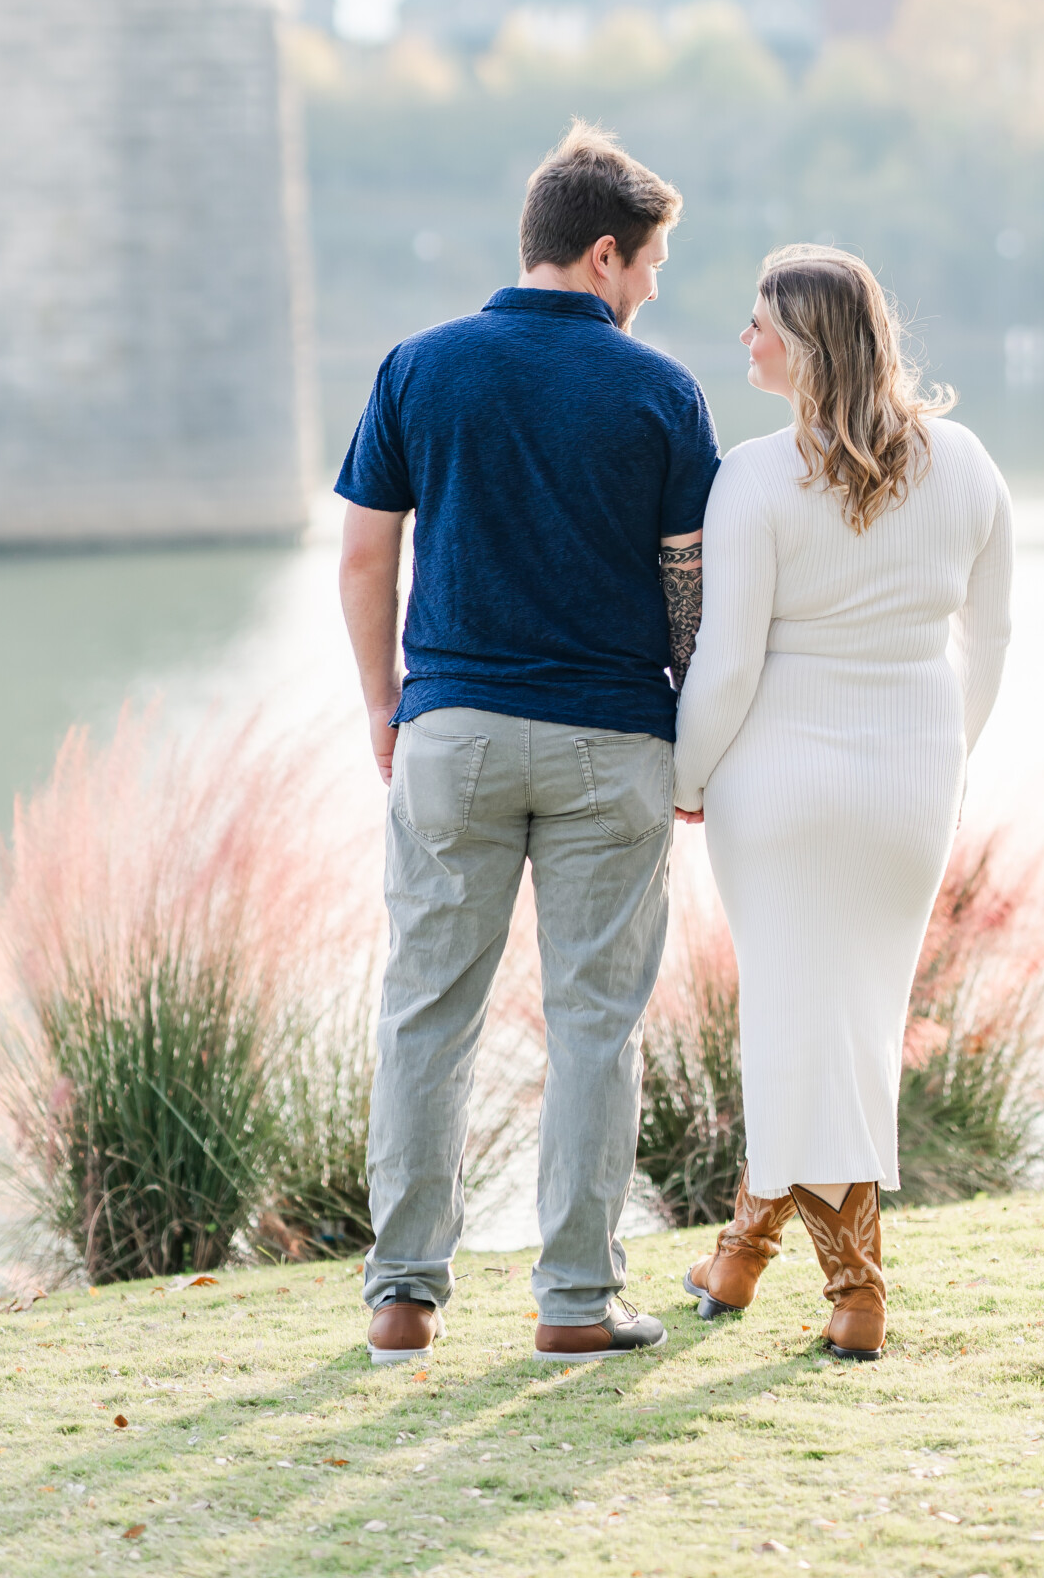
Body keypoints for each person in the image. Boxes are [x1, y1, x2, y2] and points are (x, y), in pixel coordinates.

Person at [336, 123, 719, 1365]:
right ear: (602, 254)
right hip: (613, 744)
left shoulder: (420, 366)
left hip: (454, 730)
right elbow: (689, 589)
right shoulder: (660, 391)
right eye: (650, 264)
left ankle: (403, 1298)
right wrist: (693, 724)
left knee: (425, 1014)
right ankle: (572, 1303)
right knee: (596, 1026)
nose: (653, 289)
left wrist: (386, 705)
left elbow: (362, 554)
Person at [672, 245, 1012, 1361]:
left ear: (810, 344)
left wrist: (682, 777)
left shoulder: (758, 475)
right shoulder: (965, 462)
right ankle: (739, 1254)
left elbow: (724, 664)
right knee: (838, 1025)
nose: (746, 337)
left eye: (762, 320)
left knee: (801, 1025)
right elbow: (992, 638)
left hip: (780, 781)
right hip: (911, 778)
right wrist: (945, 758)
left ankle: (858, 1291)